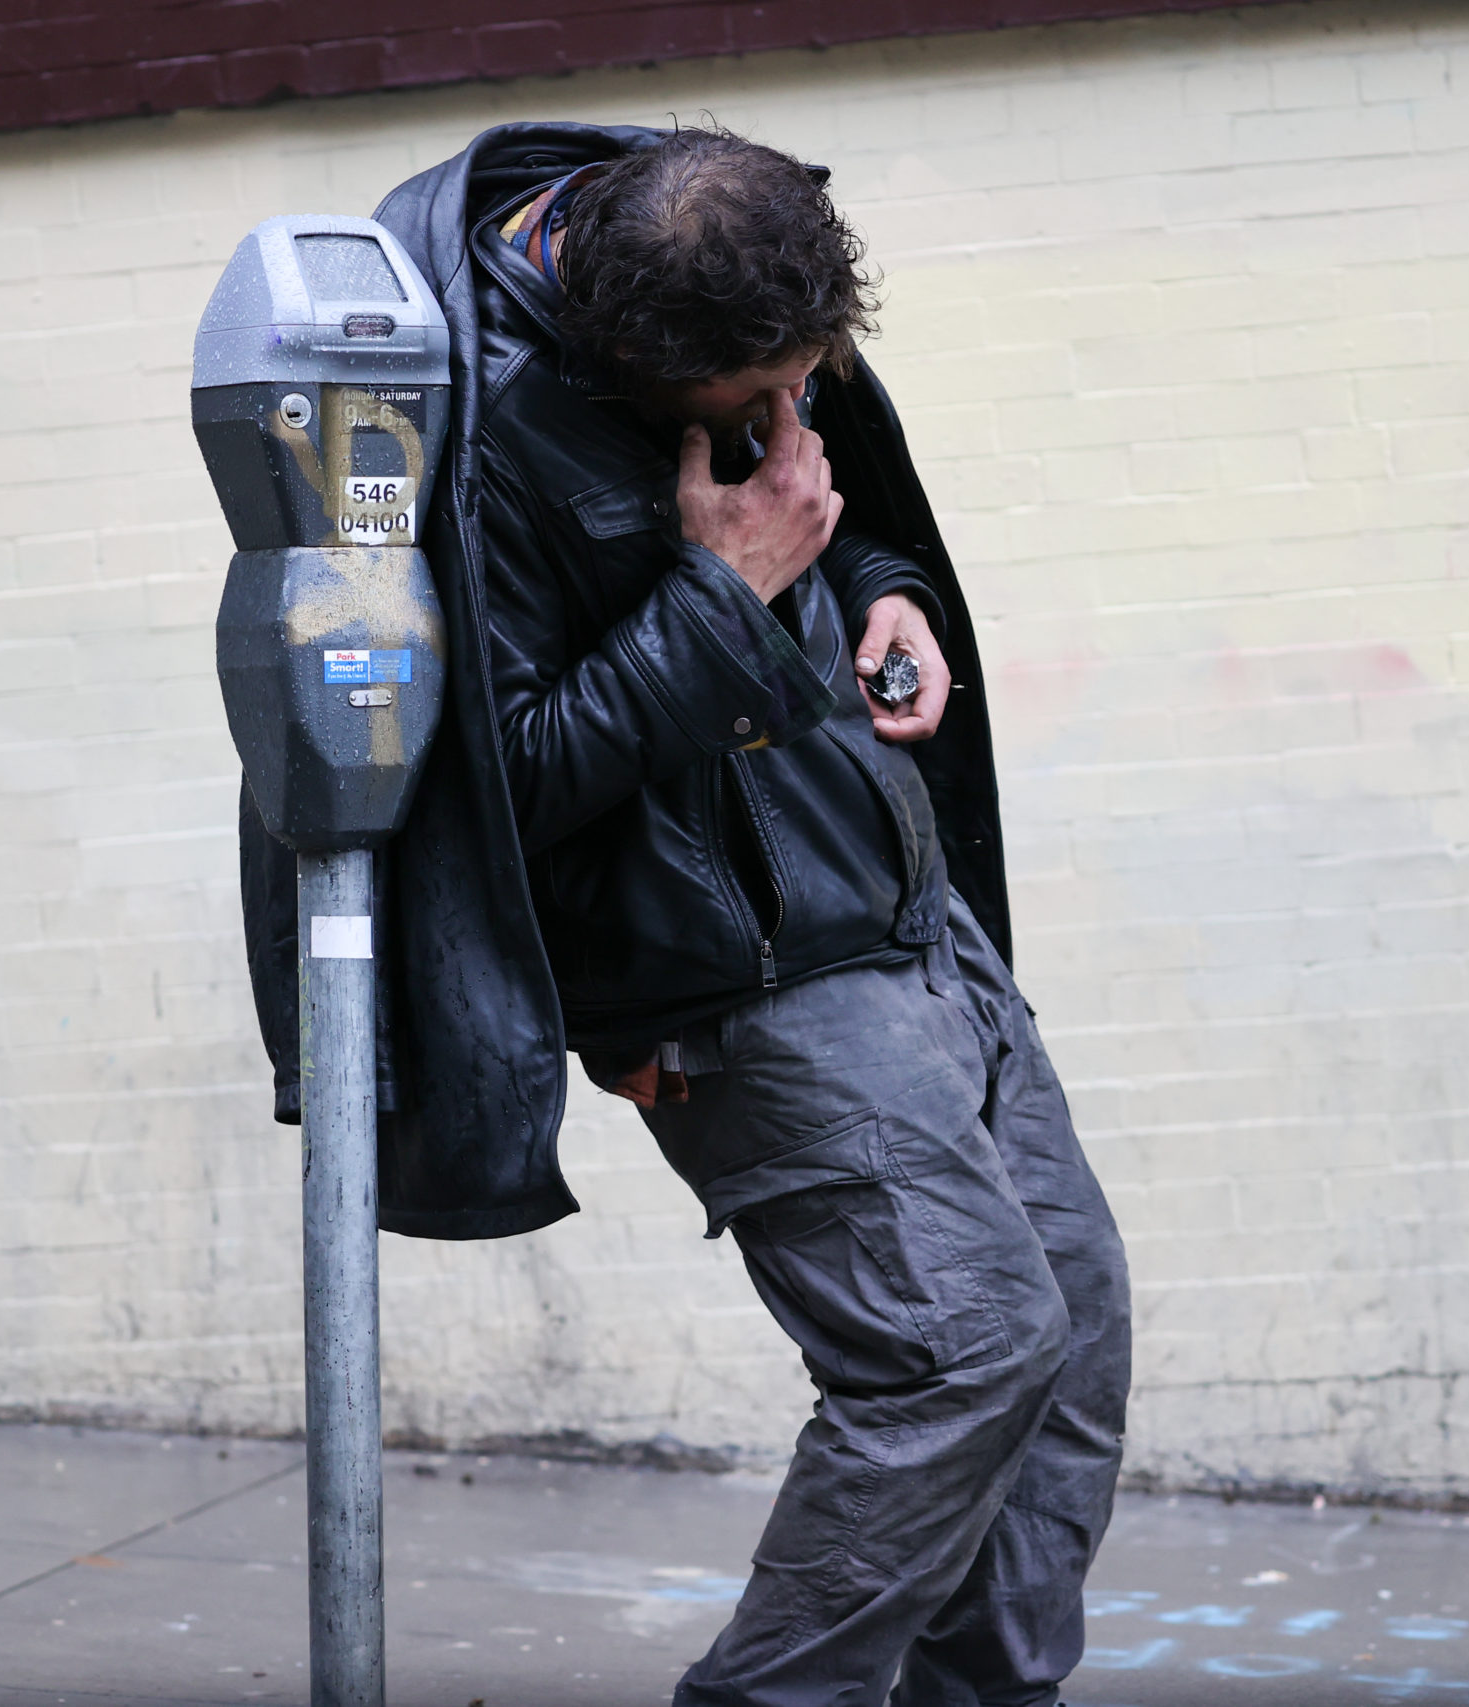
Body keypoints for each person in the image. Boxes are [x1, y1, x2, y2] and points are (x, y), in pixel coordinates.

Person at [239, 121, 1132, 1707]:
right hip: (749, 1000)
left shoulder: (729, 279)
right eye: (747, 409)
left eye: (808, 384)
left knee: (1070, 1347)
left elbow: (830, 512)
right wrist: (721, 599)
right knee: (961, 1354)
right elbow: (488, 795)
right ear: (636, 366)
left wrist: (875, 591)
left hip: (913, 920)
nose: (789, 421)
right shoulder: (472, 425)